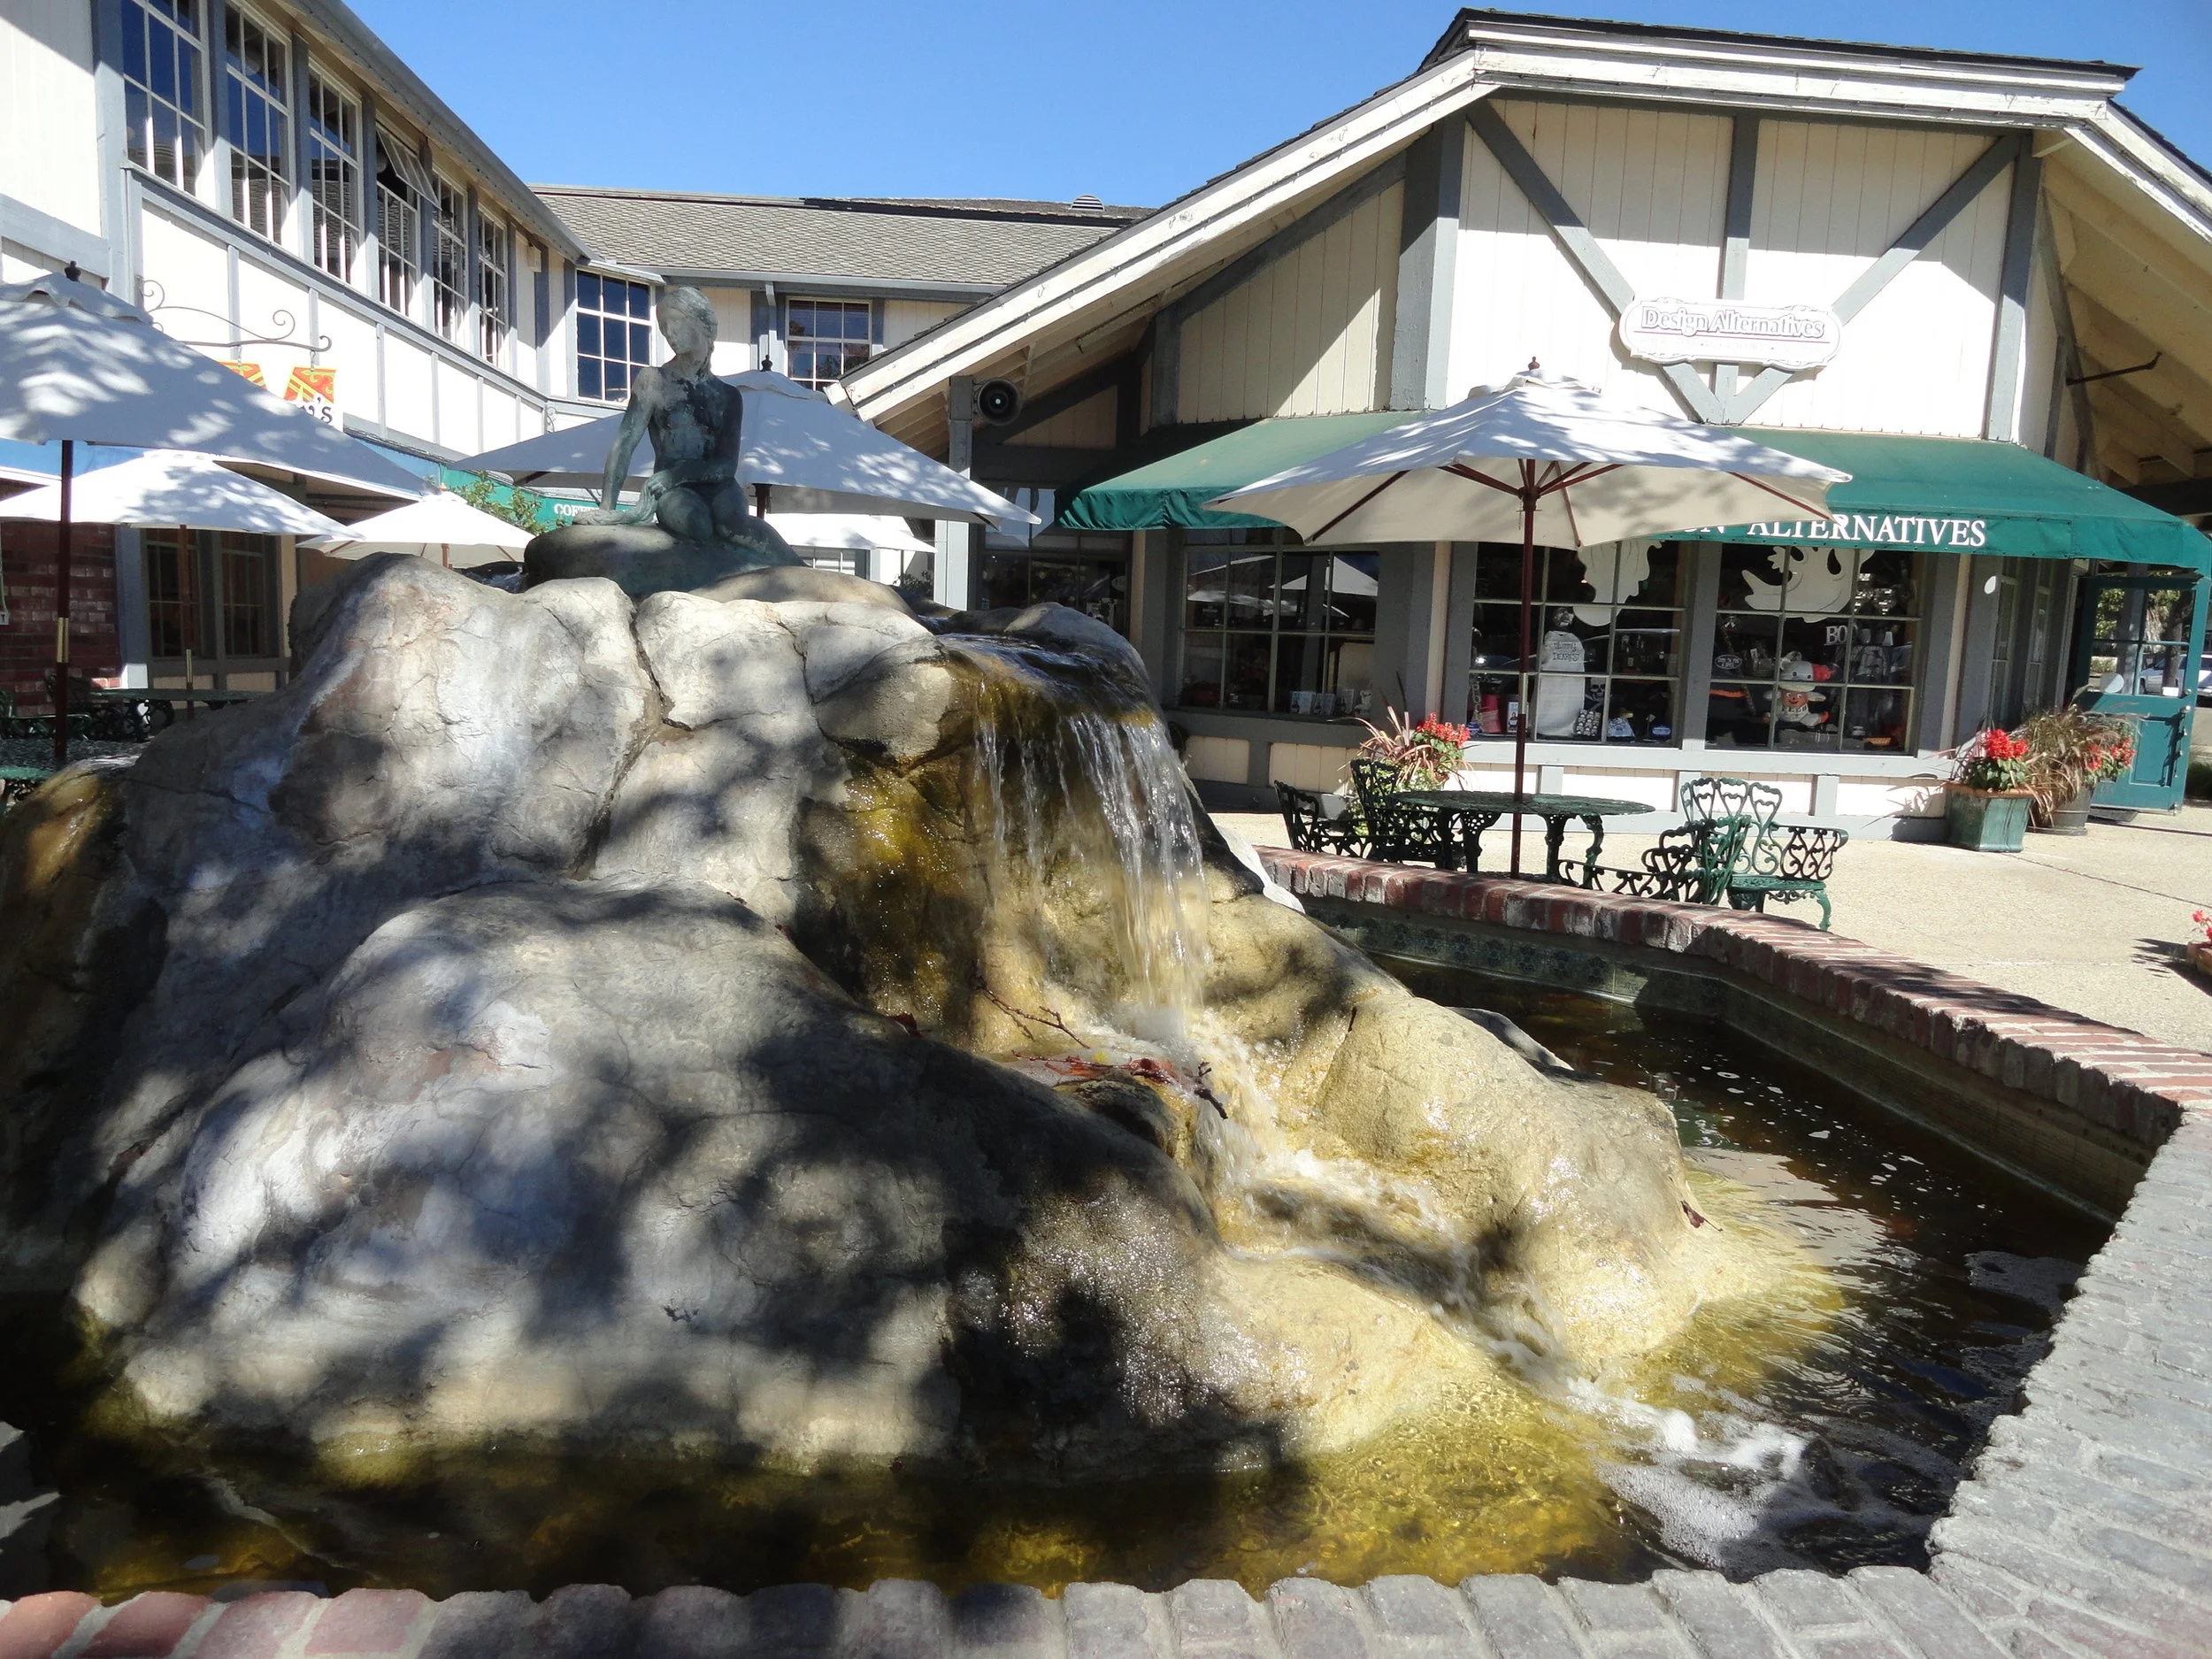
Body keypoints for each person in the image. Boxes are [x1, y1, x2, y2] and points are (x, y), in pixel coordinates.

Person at [579, 286, 755, 544]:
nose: (669, 334)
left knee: (733, 524)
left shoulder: (728, 396)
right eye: (663, 327)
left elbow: (727, 464)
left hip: (715, 485)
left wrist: (679, 473)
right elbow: (624, 445)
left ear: (702, 322)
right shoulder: (654, 381)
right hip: (672, 491)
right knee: (698, 525)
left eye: (675, 323)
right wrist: (607, 509)